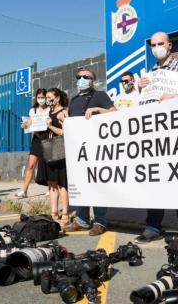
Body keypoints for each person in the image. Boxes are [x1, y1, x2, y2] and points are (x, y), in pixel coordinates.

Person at [134, 31, 178, 244]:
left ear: (169, 45)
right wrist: (140, 90)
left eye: (160, 44)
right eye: (153, 45)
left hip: (177, 135)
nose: (156, 48)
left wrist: (175, 97)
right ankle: (153, 225)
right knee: (154, 180)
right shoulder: (149, 74)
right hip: (154, 136)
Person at [62, 68, 116, 236]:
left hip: (97, 148)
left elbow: (114, 113)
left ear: (93, 81)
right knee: (81, 184)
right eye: (79, 77)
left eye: (87, 77)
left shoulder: (100, 96)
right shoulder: (74, 99)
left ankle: (100, 221)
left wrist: (97, 110)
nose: (82, 79)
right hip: (78, 150)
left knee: (98, 184)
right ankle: (82, 220)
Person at [37, 87, 70, 227]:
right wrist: (32, 127)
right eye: (46, 98)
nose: (47, 100)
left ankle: (66, 214)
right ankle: (53, 213)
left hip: (61, 151)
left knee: (62, 184)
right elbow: (42, 134)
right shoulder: (48, 113)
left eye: (50, 98)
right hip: (49, 151)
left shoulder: (64, 112)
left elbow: (65, 132)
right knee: (52, 184)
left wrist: (50, 126)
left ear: (57, 98)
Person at [15, 88, 50, 198]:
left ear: (46, 97)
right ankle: (24, 191)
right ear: (36, 98)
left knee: (48, 165)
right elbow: (29, 122)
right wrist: (25, 125)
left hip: (47, 138)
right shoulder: (33, 110)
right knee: (31, 165)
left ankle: (50, 188)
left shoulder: (50, 109)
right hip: (36, 139)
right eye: (39, 97)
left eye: (42, 97)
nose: (40, 99)